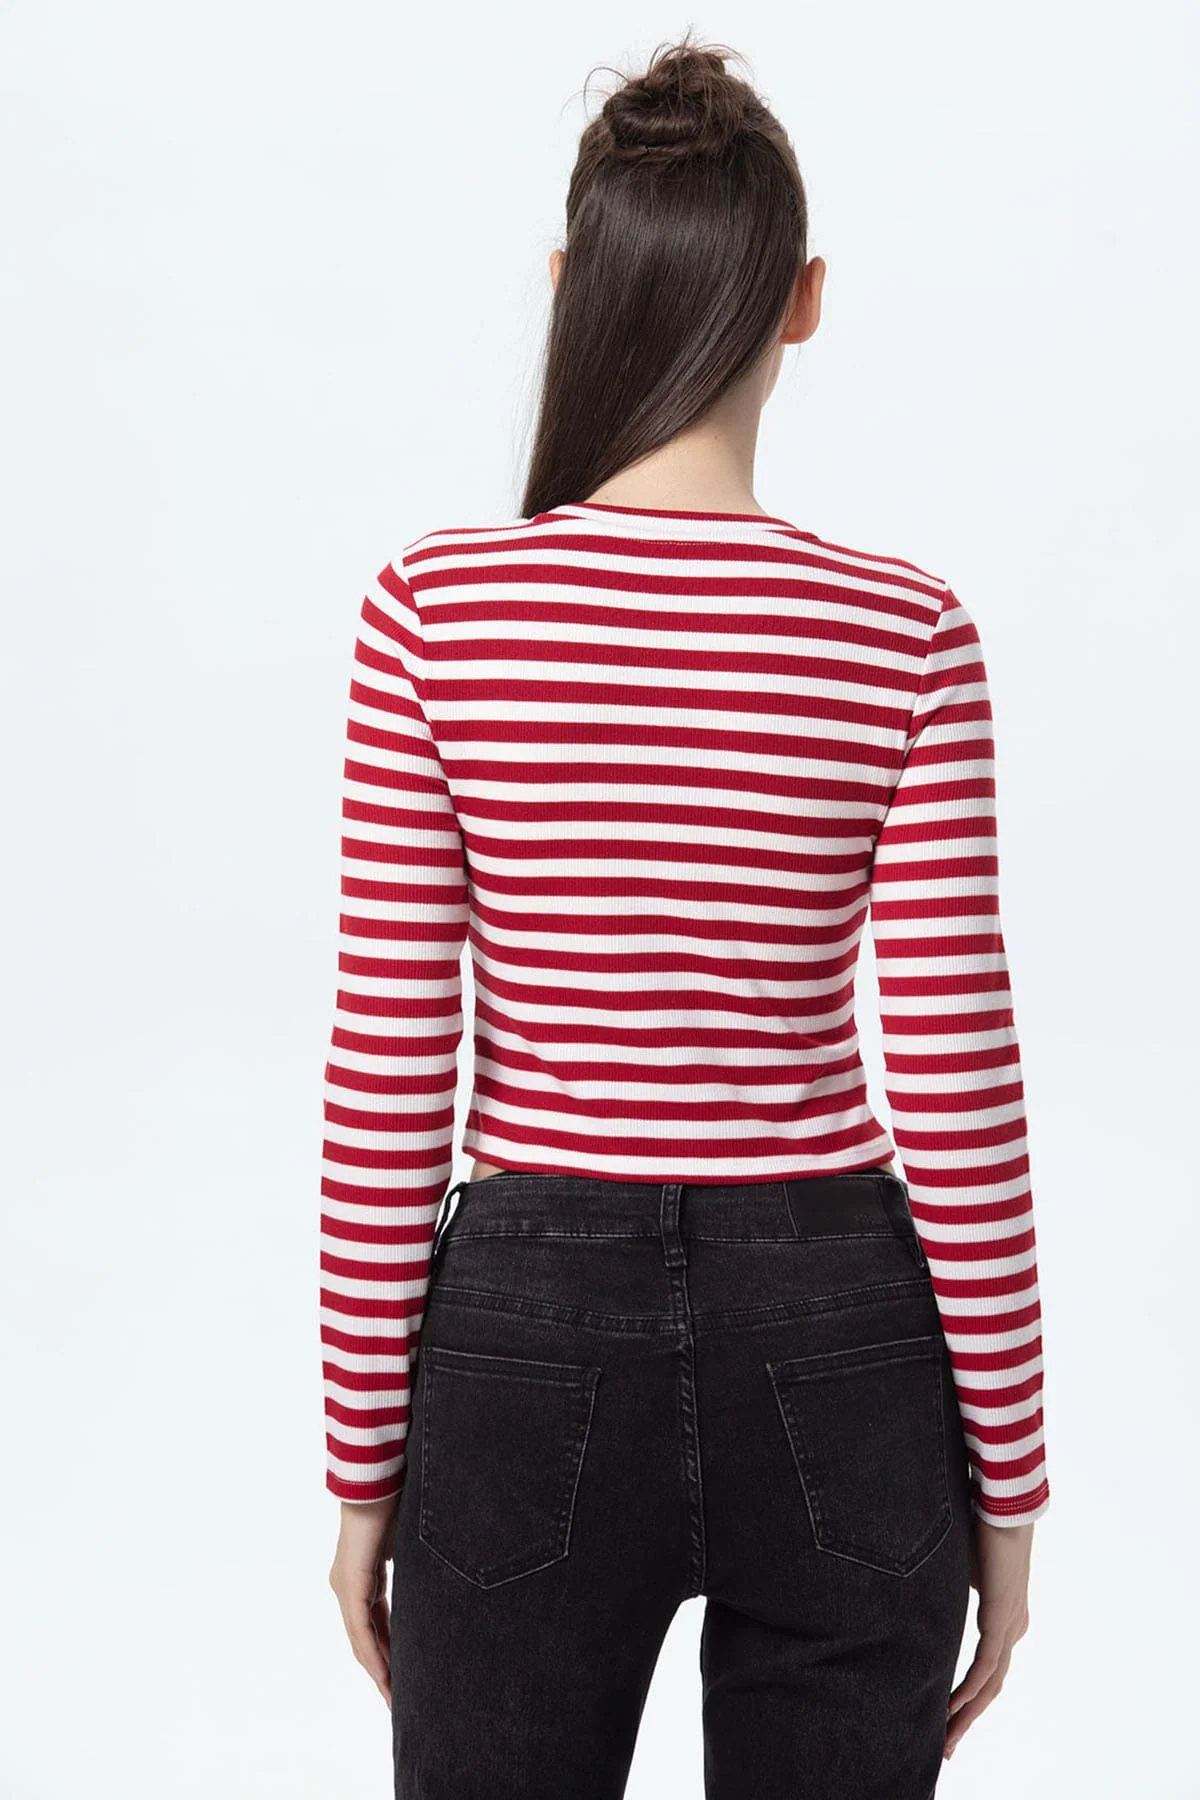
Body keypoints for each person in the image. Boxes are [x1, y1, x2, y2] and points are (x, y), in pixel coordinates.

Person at [323, 34, 1049, 1798]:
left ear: (568, 283)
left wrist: (360, 1470)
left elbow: (389, 1070)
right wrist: (1011, 1490)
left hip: (523, 1344)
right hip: (844, 1341)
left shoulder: (435, 613)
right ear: (803, 300)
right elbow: (958, 1084)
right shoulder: (906, 633)